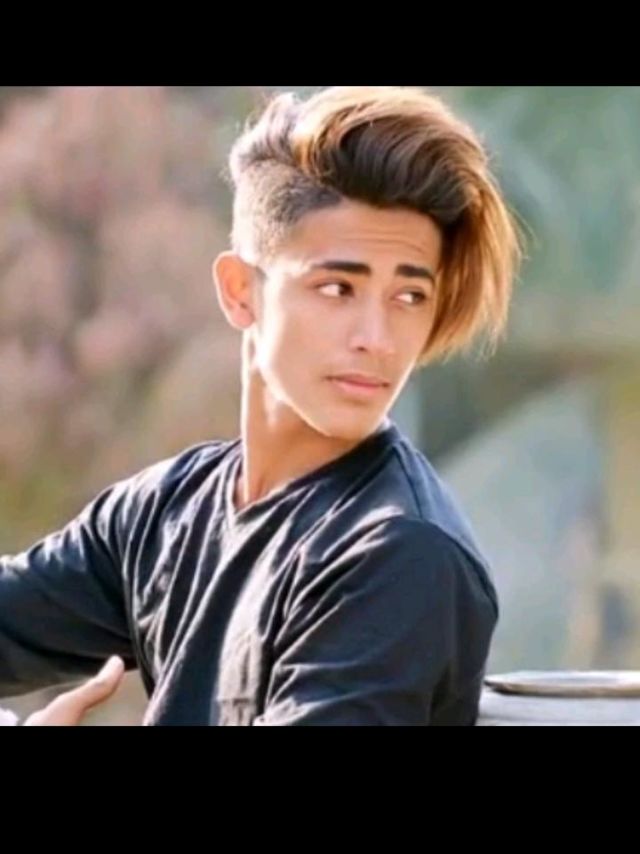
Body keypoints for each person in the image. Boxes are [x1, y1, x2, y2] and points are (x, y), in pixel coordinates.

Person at [0, 86, 521, 725]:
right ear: (240, 290)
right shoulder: (166, 512)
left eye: (409, 297)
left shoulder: (397, 555)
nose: (378, 339)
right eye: (338, 288)